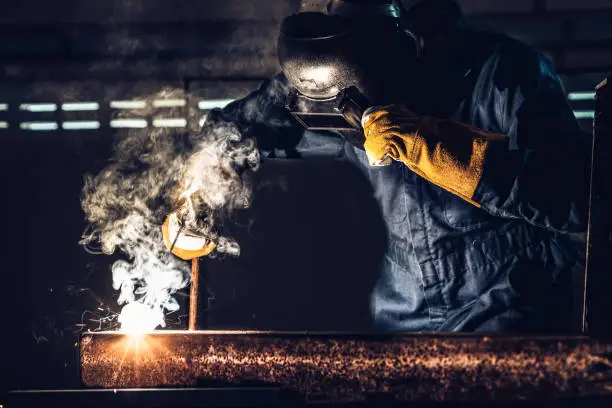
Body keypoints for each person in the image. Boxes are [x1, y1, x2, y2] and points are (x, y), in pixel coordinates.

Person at [164, 0, 589, 332]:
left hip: (506, 309)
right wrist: (200, 184)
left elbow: (578, 197)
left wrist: (439, 147)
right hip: (403, 316)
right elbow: (236, 128)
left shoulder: (504, 74)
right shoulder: (330, 69)